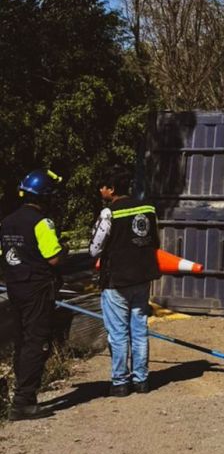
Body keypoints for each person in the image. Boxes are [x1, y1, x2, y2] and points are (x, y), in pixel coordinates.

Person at [89, 169, 160, 396]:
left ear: (111, 188)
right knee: (139, 329)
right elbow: (154, 241)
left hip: (116, 280)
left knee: (118, 333)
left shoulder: (108, 213)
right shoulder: (148, 209)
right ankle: (142, 380)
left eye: (103, 186)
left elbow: (94, 249)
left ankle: (120, 382)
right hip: (143, 277)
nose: (101, 190)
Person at [1, 169, 64, 421]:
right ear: (44, 197)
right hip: (37, 290)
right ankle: (24, 401)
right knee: (37, 343)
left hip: (15, 288)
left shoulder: (6, 222)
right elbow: (54, 258)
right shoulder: (42, 222)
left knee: (22, 340)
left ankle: (21, 395)